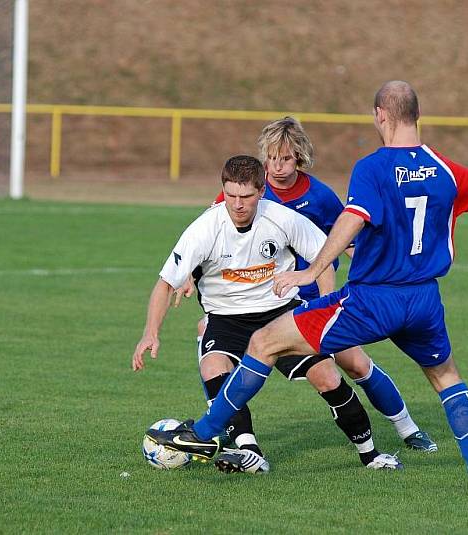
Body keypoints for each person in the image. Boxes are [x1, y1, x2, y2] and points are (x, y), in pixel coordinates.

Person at [147, 81, 468, 497]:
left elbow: (353, 219)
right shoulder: (448, 170)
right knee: (447, 378)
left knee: (265, 341)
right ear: (417, 115)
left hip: (372, 298)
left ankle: (205, 433)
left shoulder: (372, 169)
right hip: (425, 299)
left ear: (380, 116)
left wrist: (311, 271)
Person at [178, 117, 436, 454]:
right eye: (271, 158)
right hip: (265, 301)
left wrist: (357, 282)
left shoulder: (320, 197)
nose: (277, 166)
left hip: (313, 298)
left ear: (299, 157)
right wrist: (188, 275)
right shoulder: (250, 189)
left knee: (355, 362)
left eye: (285, 158)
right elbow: (209, 238)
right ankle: (230, 431)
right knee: (210, 339)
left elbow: (350, 238)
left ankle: (408, 428)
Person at [133, 155, 402, 474]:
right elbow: (165, 283)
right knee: (214, 370)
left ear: (261, 191)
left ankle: (370, 454)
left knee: (327, 376)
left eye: (245, 196)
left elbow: (324, 259)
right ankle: (250, 452)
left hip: (280, 315)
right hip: (226, 319)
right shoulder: (204, 228)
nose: (237, 204)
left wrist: (326, 307)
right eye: (231, 195)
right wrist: (151, 332)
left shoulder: (282, 219)